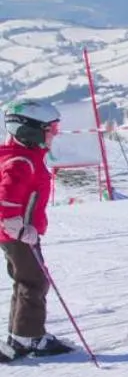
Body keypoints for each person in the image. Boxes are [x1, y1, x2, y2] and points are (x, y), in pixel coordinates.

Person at [0, 99, 73, 361]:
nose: (54, 134)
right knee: (35, 281)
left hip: (18, 234)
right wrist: (17, 228)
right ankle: (29, 337)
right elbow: (6, 198)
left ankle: (19, 334)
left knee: (25, 281)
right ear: (28, 130)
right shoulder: (21, 161)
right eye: (50, 129)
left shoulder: (25, 157)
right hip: (19, 236)